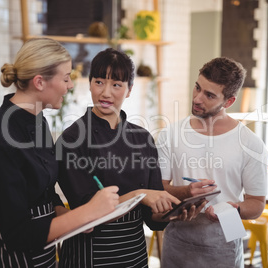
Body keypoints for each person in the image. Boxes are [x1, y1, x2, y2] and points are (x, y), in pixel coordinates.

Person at [0, 38, 120, 268]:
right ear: (39, 82)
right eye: (66, 78)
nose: (70, 86)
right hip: (10, 257)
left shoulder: (38, 121)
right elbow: (17, 234)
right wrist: (86, 212)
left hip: (43, 252)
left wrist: (67, 217)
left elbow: (45, 191)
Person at [56, 48, 209, 267]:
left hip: (133, 254)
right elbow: (86, 214)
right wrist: (140, 194)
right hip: (89, 253)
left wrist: (172, 213)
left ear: (129, 90)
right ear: (89, 83)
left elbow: (151, 216)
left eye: (116, 85)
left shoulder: (142, 138)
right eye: (99, 82)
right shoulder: (71, 140)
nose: (106, 93)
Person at [156, 57, 268, 267]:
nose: (197, 98)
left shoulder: (251, 144)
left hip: (224, 244)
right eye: (197, 88)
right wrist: (186, 193)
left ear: (229, 102)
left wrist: (232, 209)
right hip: (177, 243)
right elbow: (159, 189)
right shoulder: (170, 134)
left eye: (209, 95)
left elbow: (256, 203)